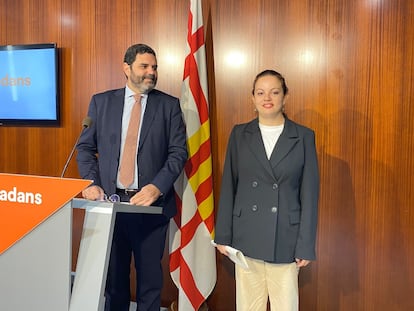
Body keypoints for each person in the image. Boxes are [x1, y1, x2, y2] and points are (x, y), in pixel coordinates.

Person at [76, 43, 188, 311]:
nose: (151, 72)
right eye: (144, 66)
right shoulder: (101, 102)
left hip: (150, 207)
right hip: (110, 206)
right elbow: (85, 148)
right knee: (115, 282)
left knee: (150, 282)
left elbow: (177, 153)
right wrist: (91, 183)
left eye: (154, 67)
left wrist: (156, 188)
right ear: (126, 68)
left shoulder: (169, 105)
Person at [214, 69, 319, 311]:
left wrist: (305, 244)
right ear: (252, 98)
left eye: (274, 92)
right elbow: (229, 186)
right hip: (246, 236)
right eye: (260, 92)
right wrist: (223, 235)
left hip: (285, 237)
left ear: (285, 96)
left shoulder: (303, 136)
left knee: (286, 306)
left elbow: (309, 194)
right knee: (249, 306)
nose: (267, 98)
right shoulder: (240, 134)